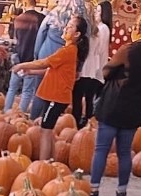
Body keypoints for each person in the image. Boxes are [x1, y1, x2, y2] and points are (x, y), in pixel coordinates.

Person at [90, 10, 141, 196]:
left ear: (137, 29)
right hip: (135, 105)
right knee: (125, 151)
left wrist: (116, 72)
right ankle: (121, 192)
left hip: (113, 103)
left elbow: (106, 72)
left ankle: (94, 190)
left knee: (102, 149)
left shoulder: (127, 49)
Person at [13, 14, 88, 161]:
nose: (66, 27)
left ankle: (43, 163)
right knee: (48, 130)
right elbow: (51, 69)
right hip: (54, 95)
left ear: (77, 34)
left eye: (71, 26)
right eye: (68, 24)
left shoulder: (68, 51)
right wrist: (31, 71)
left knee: (45, 131)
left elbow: (45, 63)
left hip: (57, 96)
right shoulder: (67, 50)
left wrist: (22, 65)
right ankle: (50, 161)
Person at [73, 0, 110, 125]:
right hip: (92, 67)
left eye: (98, 11)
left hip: (88, 67)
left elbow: (98, 50)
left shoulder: (99, 30)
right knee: (87, 97)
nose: (96, 14)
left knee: (80, 97)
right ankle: (86, 121)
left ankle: (80, 122)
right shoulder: (97, 30)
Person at [5, 4, 43, 112]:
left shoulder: (18, 19)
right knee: (27, 90)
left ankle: (6, 111)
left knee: (12, 88)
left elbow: (12, 37)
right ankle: (19, 114)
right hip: (31, 58)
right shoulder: (40, 19)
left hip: (18, 57)